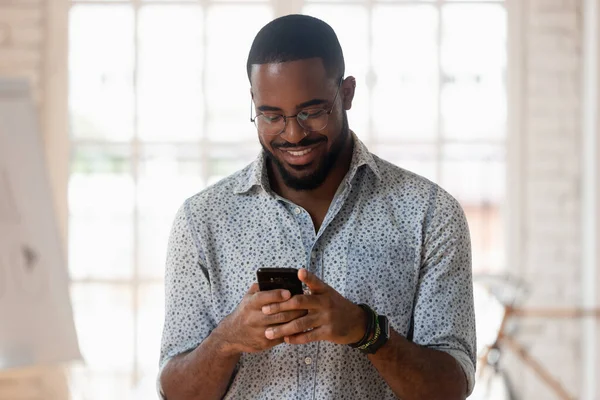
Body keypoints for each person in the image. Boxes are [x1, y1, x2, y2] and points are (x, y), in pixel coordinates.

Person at [158, 14, 476, 400]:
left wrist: (366, 330)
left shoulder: (429, 213)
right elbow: (174, 392)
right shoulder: (202, 221)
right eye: (272, 116)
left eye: (312, 112)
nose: (293, 134)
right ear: (254, 105)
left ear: (346, 93)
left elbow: (451, 388)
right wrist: (226, 340)